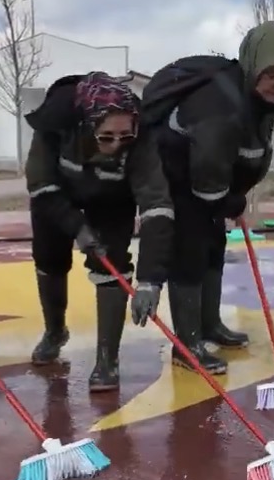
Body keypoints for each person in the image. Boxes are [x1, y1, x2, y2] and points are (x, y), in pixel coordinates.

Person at [141, 22, 274, 374]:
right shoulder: (221, 101)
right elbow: (210, 162)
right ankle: (188, 344)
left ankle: (210, 324)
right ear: (254, 65)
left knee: (213, 247)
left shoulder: (256, 98)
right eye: (272, 74)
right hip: (175, 177)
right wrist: (228, 201)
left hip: (207, 183)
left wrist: (234, 195)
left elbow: (244, 151)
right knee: (189, 252)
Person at [25, 72, 173, 392]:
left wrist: (150, 280)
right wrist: (78, 229)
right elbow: (41, 184)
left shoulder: (142, 137)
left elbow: (157, 205)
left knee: (113, 265)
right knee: (50, 259)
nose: (116, 145)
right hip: (57, 194)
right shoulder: (55, 124)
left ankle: (108, 358)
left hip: (112, 199)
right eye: (106, 137)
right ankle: (55, 331)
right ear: (86, 125)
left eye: (125, 136)